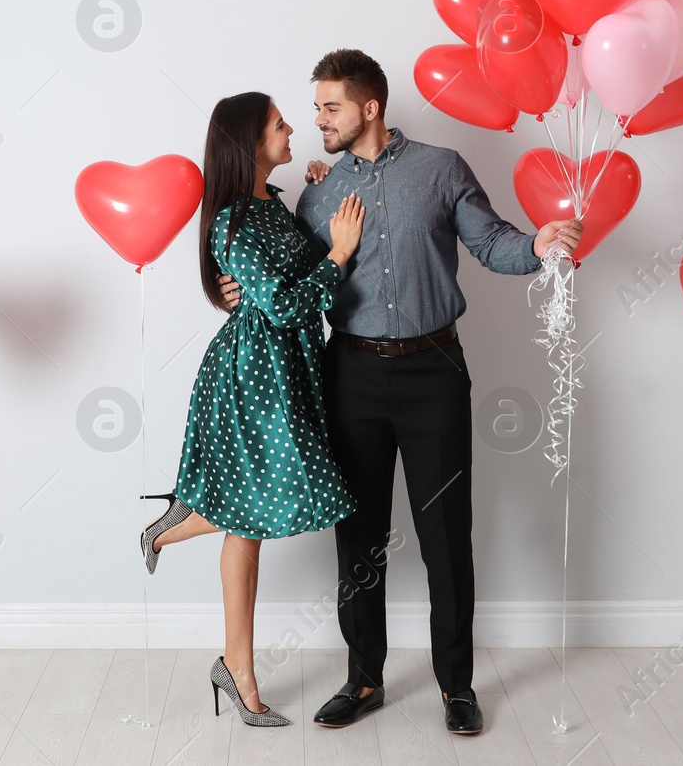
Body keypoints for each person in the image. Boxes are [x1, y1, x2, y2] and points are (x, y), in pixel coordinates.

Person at [220, 50, 582, 735]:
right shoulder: (317, 192)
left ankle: (456, 687)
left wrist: (537, 246)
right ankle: (363, 679)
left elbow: (492, 242)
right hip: (349, 373)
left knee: (447, 535)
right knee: (357, 535)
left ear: (369, 106)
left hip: (434, 371)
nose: (317, 119)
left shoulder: (443, 168)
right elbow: (286, 283)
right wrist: (225, 288)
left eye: (329, 106)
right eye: (316, 108)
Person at [139, 91, 365, 727]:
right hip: (252, 378)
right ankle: (169, 531)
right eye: (279, 123)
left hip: (289, 371)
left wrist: (320, 187)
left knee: (251, 521)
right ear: (249, 141)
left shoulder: (273, 202)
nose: (293, 129)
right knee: (265, 504)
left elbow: (291, 271)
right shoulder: (233, 222)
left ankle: (236, 667)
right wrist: (340, 254)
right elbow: (289, 306)